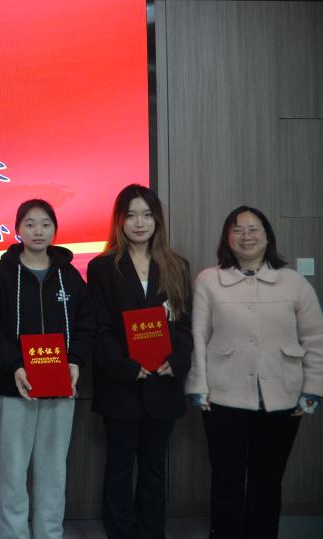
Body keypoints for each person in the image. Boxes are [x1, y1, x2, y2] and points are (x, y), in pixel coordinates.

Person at [185, 206, 323, 539]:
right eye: (237, 229)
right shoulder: (208, 280)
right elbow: (198, 336)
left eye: (253, 229)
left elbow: (315, 339)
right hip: (221, 397)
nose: (245, 236)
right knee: (226, 478)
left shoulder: (294, 283)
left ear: (267, 236)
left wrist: (313, 390)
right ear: (226, 237)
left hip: (282, 398)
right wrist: (198, 386)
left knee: (268, 479)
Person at [0, 199, 95, 539]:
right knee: (12, 472)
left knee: (53, 470)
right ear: (17, 229)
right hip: (12, 387)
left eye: (45, 224)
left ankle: (49, 533)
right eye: (29, 224)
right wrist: (15, 365)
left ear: (55, 230)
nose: (38, 231)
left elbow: (87, 324)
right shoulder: (0, 274)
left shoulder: (69, 275)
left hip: (61, 386)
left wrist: (75, 360)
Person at [88, 184, 193, 539]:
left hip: (163, 383)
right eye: (131, 215)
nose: (139, 223)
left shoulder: (177, 266)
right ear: (119, 221)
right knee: (119, 466)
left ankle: (151, 532)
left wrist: (177, 361)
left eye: (147, 215)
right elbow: (100, 330)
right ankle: (119, 532)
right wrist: (127, 367)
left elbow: (184, 326)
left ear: (157, 220)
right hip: (121, 385)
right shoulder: (102, 268)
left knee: (154, 467)